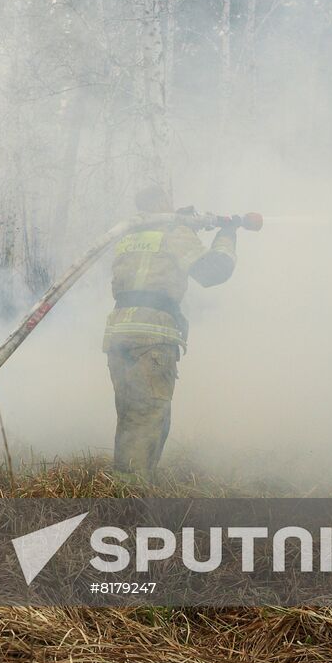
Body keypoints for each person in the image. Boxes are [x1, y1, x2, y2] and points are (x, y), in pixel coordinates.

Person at [102, 186, 237, 483]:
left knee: (131, 417)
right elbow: (212, 272)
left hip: (119, 336)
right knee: (147, 418)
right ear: (164, 204)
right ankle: (129, 502)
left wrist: (186, 223)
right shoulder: (172, 234)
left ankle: (125, 487)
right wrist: (228, 233)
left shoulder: (130, 235)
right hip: (151, 340)